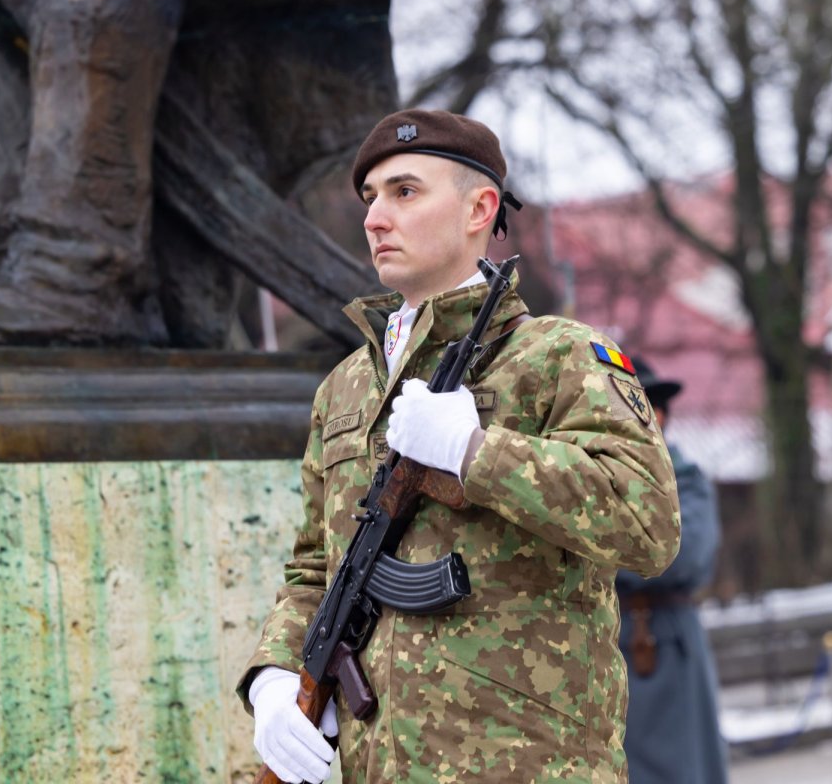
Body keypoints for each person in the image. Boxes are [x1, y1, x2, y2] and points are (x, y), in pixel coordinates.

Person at [236, 109, 681, 783]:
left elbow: (648, 523)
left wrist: (475, 453)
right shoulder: (346, 387)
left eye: (404, 192)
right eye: (370, 197)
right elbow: (314, 568)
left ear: (480, 208)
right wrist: (274, 675)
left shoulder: (557, 356)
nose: (375, 218)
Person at [615, 358, 727, 784]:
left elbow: (682, 556)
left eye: (655, 407)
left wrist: (601, 548)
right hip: (605, 638)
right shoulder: (591, 476)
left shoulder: (685, 478)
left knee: (681, 769)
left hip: (665, 642)